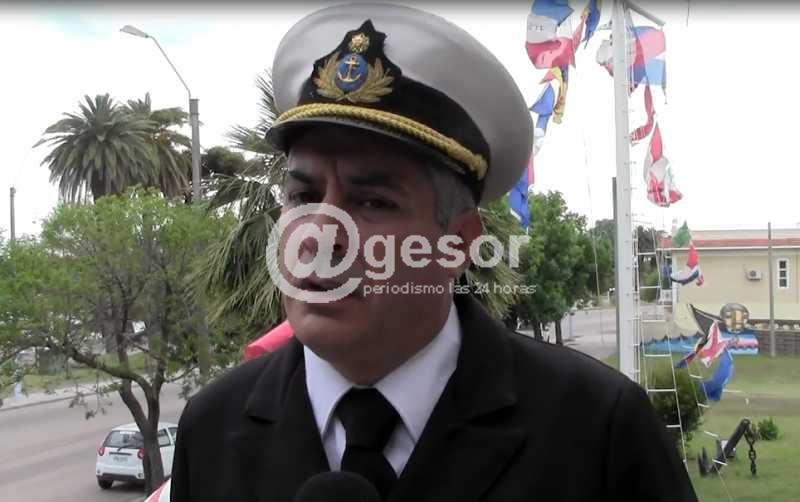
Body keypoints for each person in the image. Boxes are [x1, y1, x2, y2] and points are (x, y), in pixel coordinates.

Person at [170, 4, 698, 502]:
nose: (319, 236)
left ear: (457, 243)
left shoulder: (597, 430)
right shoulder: (212, 427)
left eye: (372, 202)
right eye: (303, 197)